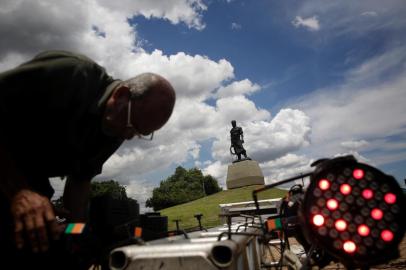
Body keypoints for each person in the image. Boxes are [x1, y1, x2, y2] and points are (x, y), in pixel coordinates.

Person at [0, 50, 176, 268]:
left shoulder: (116, 128)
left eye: (140, 133)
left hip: (30, 184)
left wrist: (78, 235)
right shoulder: (71, 74)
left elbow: (80, 182)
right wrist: (19, 192)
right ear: (121, 95)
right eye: (133, 125)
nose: (129, 136)